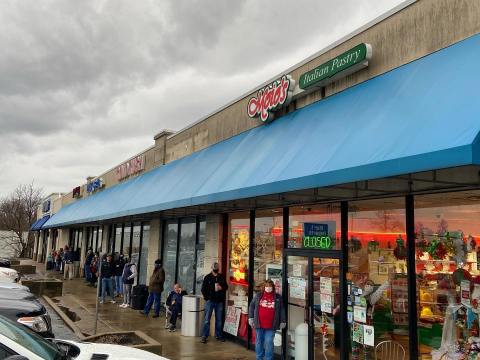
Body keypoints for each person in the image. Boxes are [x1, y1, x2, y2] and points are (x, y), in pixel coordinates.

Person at [248, 279, 286, 360]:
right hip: (259, 324)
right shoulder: (258, 295)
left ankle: (269, 358)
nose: (268, 288)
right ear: (264, 287)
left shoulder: (278, 297)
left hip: (271, 325)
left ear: (273, 287)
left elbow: (282, 309)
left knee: (269, 342)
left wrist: (283, 321)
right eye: (267, 286)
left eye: (270, 286)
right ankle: (259, 358)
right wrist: (251, 317)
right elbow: (251, 306)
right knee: (259, 341)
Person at [200, 262, 228, 343]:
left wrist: (221, 287)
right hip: (210, 301)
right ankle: (204, 335)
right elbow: (203, 289)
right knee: (206, 320)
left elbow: (226, 287)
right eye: (214, 269)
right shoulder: (207, 277)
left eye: (217, 269)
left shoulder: (221, 277)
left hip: (219, 301)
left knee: (219, 320)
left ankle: (218, 335)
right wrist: (207, 298)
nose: (216, 270)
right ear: (212, 268)